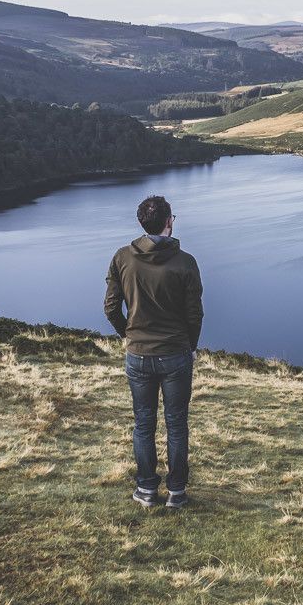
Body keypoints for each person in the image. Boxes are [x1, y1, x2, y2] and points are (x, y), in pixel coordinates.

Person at [103, 194, 203, 509]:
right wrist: (190, 346)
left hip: (138, 354)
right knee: (176, 423)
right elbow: (195, 315)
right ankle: (176, 492)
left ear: (141, 223)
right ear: (169, 222)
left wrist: (129, 335)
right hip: (176, 354)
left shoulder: (122, 257)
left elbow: (110, 308)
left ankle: (146, 490)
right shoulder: (186, 262)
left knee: (144, 422)